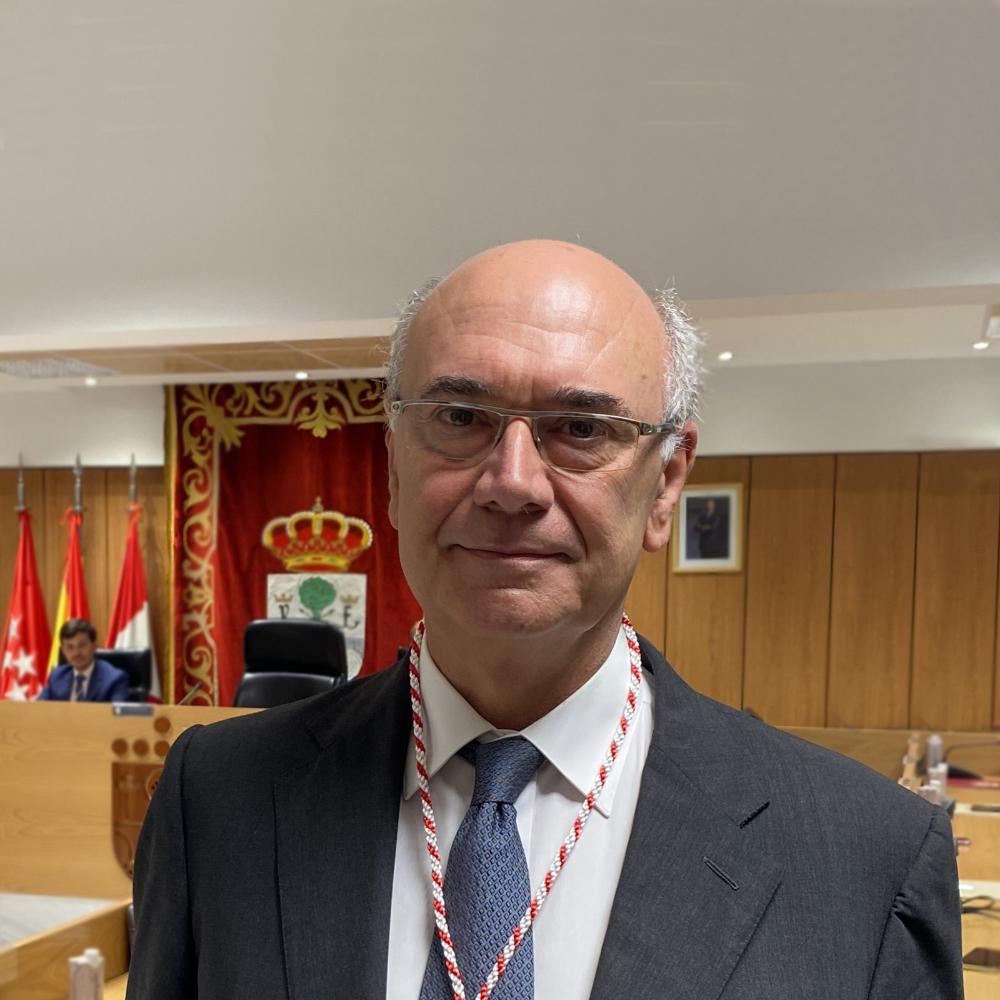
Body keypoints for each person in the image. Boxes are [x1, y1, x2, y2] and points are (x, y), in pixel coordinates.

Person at [127, 241, 962, 999]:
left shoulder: (868, 861)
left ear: (667, 483)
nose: (513, 483)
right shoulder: (219, 801)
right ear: (393, 467)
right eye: (460, 418)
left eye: (582, 429)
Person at [36, 618, 129, 702]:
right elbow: (39, 708)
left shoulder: (114, 679)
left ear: (94, 646)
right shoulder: (57, 676)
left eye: (82, 645)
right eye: (70, 647)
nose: (76, 653)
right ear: (63, 650)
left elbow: (117, 714)